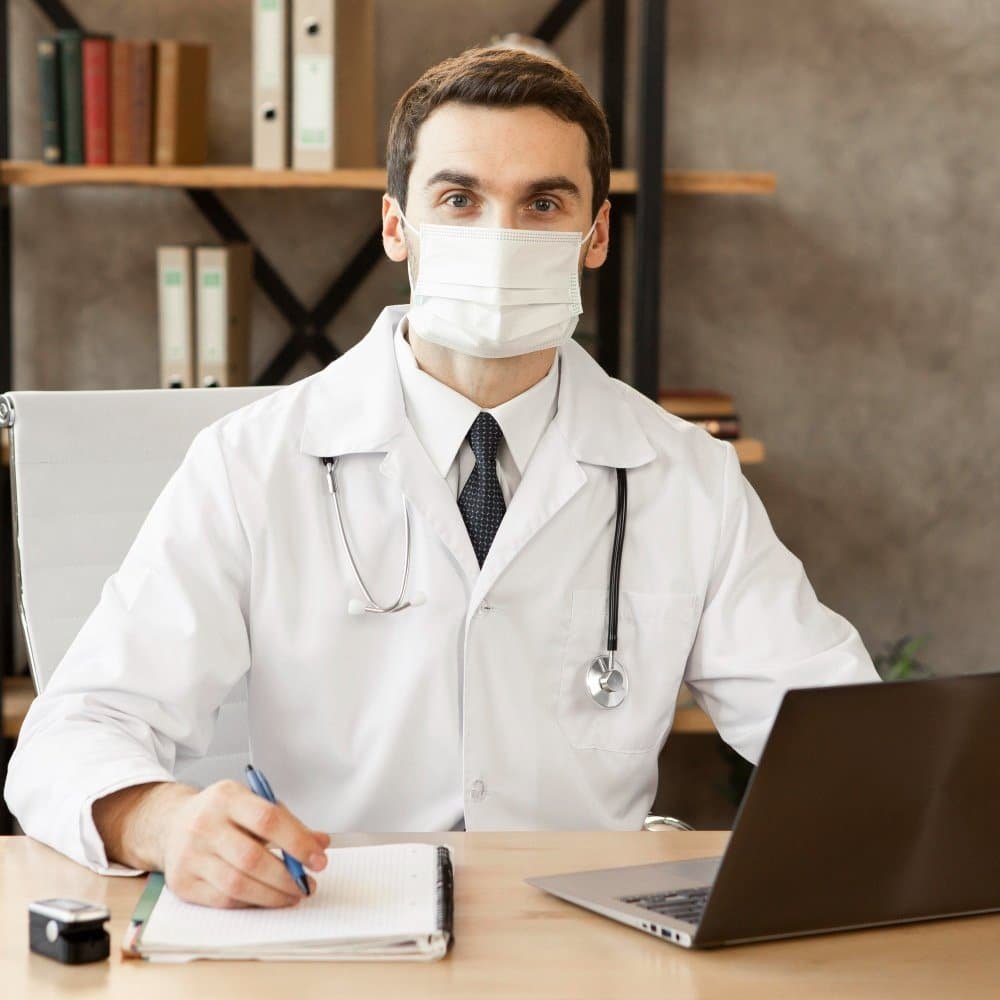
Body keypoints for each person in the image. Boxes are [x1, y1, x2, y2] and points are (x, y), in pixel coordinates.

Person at [5, 47, 879, 909]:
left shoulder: (688, 478)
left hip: (583, 943)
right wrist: (163, 823)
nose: (499, 236)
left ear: (597, 234)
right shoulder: (251, 462)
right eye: (459, 199)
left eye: (544, 202)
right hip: (327, 924)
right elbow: (73, 732)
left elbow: (847, 741)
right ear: (396, 226)